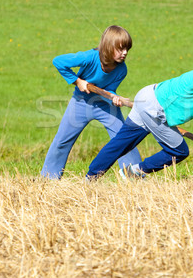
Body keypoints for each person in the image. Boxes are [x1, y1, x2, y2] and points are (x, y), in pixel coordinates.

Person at [86, 63, 193, 180]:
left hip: (148, 97)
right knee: (179, 151)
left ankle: (90, 178)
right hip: (155, 108)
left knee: (121, 143)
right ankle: (134, 172)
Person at [41, 25, 142, 180]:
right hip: (80, 103)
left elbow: (109, 89)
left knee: (124, 139)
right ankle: (48, 178)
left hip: (105, 105)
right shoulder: (89, 57)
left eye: (127, 49)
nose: (125, 53)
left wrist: (114, 98)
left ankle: (135, 177)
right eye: (121, 49)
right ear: (108, 47)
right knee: (62, 141)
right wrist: (77, 81)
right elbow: (58, 61)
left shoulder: (122, 69)